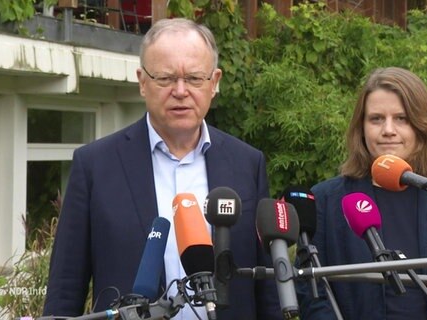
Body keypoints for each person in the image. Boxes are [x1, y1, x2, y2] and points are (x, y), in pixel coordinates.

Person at [43, 18, 281, 319]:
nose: (180, 91)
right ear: (142, 81)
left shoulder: (248, 163)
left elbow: (267, 291)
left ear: (215, 81)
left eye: (195, 78)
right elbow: (65, 288)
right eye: (166, 79)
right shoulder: (95, 166)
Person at [297, 67, 427, 319]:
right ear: (361, 128)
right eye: (376, 119)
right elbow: (312, 294)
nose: (388, 130)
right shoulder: (326, 201)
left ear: (421, 126)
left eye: (401, 118)